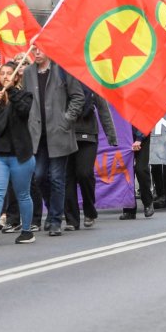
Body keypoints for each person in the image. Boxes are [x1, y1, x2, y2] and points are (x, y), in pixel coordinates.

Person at [22, 47, 85, 236]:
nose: (37, 52)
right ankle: (51, 211)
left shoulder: (62, 69)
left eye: (41, 49)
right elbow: (26, 100)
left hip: (58, 133)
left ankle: (56, 219)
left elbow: (78, 97)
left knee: (57, 177)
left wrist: (66, 119)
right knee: (39, 176)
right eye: (34, 49)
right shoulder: (28, 72)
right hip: (37, 134)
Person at [0, 61, 36, 246]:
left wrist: (11, 91)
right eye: (2, 73)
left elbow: (23, 111)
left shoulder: (25, 95)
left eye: (9, 73)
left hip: (21, 155)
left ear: (17, 76)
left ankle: (26, 231)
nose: (5, 76)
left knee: (23, 194)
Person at [65, 90, 117, 229]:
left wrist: (111, 135)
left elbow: (103, 109)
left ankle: (89, 211)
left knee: (85, 173)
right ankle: (71, 220)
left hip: (88, 135)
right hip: (65, 134)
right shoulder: (62, 81)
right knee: (67, 178)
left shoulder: (92, 83)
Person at [120, 126, 154, 220]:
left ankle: (148, 202)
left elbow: (146, 119)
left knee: (141, 169)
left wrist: (139, 138)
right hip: (123, 138)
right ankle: (128, 209)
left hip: (140, 136)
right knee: (126, 172)